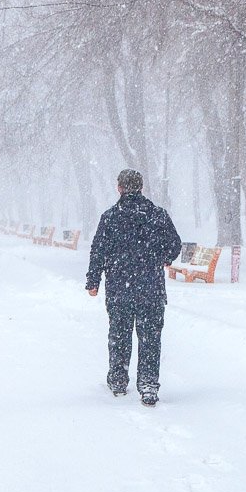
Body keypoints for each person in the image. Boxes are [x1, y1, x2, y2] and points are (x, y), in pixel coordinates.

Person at [85, 169, 182, 406]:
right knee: (150, 337)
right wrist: (162, 258)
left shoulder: (110, 217)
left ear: (119, 188)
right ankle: (148, 385)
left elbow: (98, 250)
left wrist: (93, 281)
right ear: (141, 187)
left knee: (119, 334)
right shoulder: (157, 215)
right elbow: (175, 245)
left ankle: (118, 379)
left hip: (119, 288)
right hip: (151, 288)